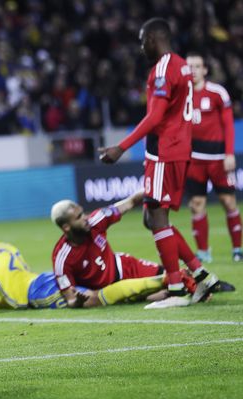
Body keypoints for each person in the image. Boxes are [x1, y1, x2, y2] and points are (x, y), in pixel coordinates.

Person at [99, 18, 220, 309]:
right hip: (178, 148)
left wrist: (121, 147)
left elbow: (155, 117)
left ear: (154, 38)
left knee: (157, 217)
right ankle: (201, 274)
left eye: (143, 41)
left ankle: (176, 289)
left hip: (165, 151)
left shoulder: (163, 69)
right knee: (151, 217)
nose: (142, 48)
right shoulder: (181, 65)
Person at [0, 216, 164, 315]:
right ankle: (168, 287)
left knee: (96, 298)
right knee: (108, 293)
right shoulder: (6, 246)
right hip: (42, 281)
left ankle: (168, 280)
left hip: (39, 291)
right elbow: (13, 295)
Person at [50, 191, 202, 309]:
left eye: (83, 213)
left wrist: (152, 190)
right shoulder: (62, 259)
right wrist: (78, 301)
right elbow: (70, 299)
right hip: (106, 291)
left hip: (125, 267)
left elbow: (131, 201)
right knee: (159, 290)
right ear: (66, 227)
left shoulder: (96, 220)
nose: (85, 218)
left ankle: (204, 284)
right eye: (78, 217)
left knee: (174, 275)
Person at [185, 52, 242, 263]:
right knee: (196, 203)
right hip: (193, 159)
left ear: (205, 70)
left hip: (218, 158)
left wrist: (229, 154)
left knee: (228, 201)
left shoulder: (218, 93)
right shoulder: (181, 95)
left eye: (197, 66)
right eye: (189, 67)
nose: (192, 70)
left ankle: (237, 249)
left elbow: (228, 125)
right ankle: (203, 252)